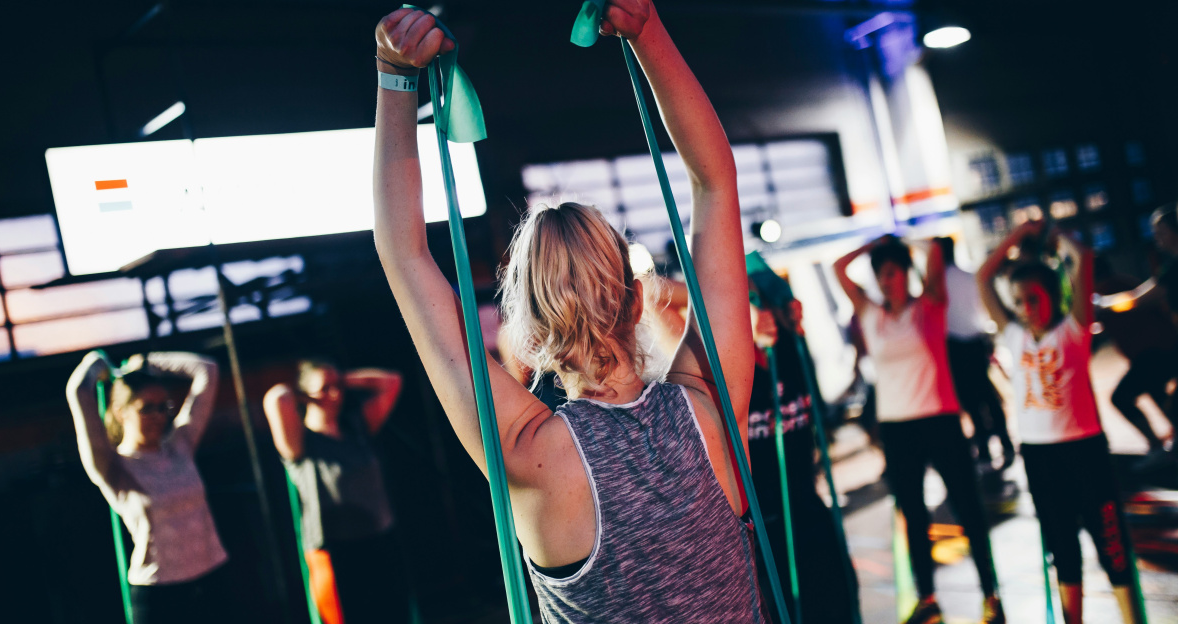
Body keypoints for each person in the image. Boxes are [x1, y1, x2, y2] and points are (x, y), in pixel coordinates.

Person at [372, 2, 765, 622]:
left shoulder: (531, 453)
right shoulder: (711, 404)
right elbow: (715, 181)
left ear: (523, 335)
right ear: (638, 301)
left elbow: (404, 255)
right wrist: (647, 29)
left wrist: (394, 77)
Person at [978, 221, 1142, 624]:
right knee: (1063, 549)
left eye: (1034, 298)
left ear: (1052, 297)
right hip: (1039, 456)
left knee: (1111, 544)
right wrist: (1015, 236)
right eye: (1019, 301)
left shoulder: (1073, 331)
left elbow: (1082, 258)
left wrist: (1052, 236)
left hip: (1084, 451)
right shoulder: (1014, 336)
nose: (1026, 307)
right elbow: (984, 276)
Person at [834, 236, 1003, 624]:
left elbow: (937, 253)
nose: (885, 281)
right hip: (898, 430)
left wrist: (904, 241)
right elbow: (838, 269)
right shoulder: (871, 315)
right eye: (880, 274)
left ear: (907, 272)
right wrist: (875, 243)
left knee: (968, 508)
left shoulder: (930, 307)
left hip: (940, 421)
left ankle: (990, 594)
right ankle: (927, 598)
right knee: (912, 514)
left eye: (891, 272)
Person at [65, 351, 230, 624]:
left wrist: (147, 361)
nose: (158, 416)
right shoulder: (111, 466)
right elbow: (78, 390)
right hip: (160, 594)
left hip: (212, 578)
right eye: (146, 408)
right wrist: (97, 364)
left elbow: (208, 369)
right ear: (121, 412)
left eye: (162, 407)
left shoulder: (180, 445)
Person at [746, 265, 859, 624]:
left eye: (768, 304)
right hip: (762, 523)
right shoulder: (729, 371)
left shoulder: (793, 350)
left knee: (840, 597)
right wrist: (742, 309)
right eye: (754, 305)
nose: (766, 314)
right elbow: (664, 302)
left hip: (806, 504)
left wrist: (789, 313)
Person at [263, 361, 408, 624]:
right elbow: (276, 398)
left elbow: (392, 381)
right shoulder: (300, 443)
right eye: (325, 388)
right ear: (306, 394)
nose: (335, 395)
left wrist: (343, 379)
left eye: (338, 388)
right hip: (335, 551)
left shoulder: (357, 428)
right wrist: (305, 392)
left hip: (379, 542)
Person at [936, 236, 1015, 471]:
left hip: (955, 346)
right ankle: (1005, 441)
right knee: (987, 394)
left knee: (970, 399)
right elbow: (982, 310)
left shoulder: (938, 283)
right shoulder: (968, 276)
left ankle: (984, 448)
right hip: (976, 341)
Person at [1093, 256, 1178, 465]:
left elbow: (1131, 303)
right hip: (1164, 349)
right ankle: (1166, 447)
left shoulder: (1103, 296)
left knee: (1121, 397)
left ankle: (1158, 447)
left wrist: (1102, 306)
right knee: (1160, 397)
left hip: (1154, 353)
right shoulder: (1126, 281)